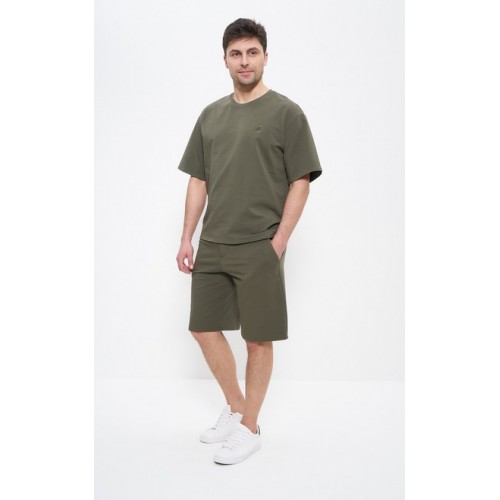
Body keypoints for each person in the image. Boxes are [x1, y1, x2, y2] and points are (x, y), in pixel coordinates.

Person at [176, 18, 322, 465]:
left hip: (259, 243)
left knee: (258, 339)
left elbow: (301, 181)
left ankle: (251, 428)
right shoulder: (211, 115)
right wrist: (187, 237)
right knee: (203, 328)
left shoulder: (286, 113)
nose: (245, 61)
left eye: (252, 52)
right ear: (224, 60)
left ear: (265, 57)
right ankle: (238, 409)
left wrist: (278, 241)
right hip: (213, 241)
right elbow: (198, 179)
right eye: (236, 53)